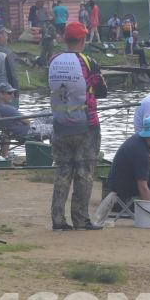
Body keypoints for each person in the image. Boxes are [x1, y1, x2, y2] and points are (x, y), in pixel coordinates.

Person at [47, 22, 100, 231]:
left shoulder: (53, 60)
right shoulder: (88, 61)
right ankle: (80, 219)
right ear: (82, 40)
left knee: (62, 172)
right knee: (84, 172)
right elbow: (101, 89)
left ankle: (58, 220)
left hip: (60, 124)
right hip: (86, 125)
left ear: (65, 39)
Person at [102, 114, 150, 217]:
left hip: (118, 179)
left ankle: (140, 207)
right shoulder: (140, 152)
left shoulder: (140, 139)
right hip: (120, 186)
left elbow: (147, 155)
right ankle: (148, 212)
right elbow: (142, 186)